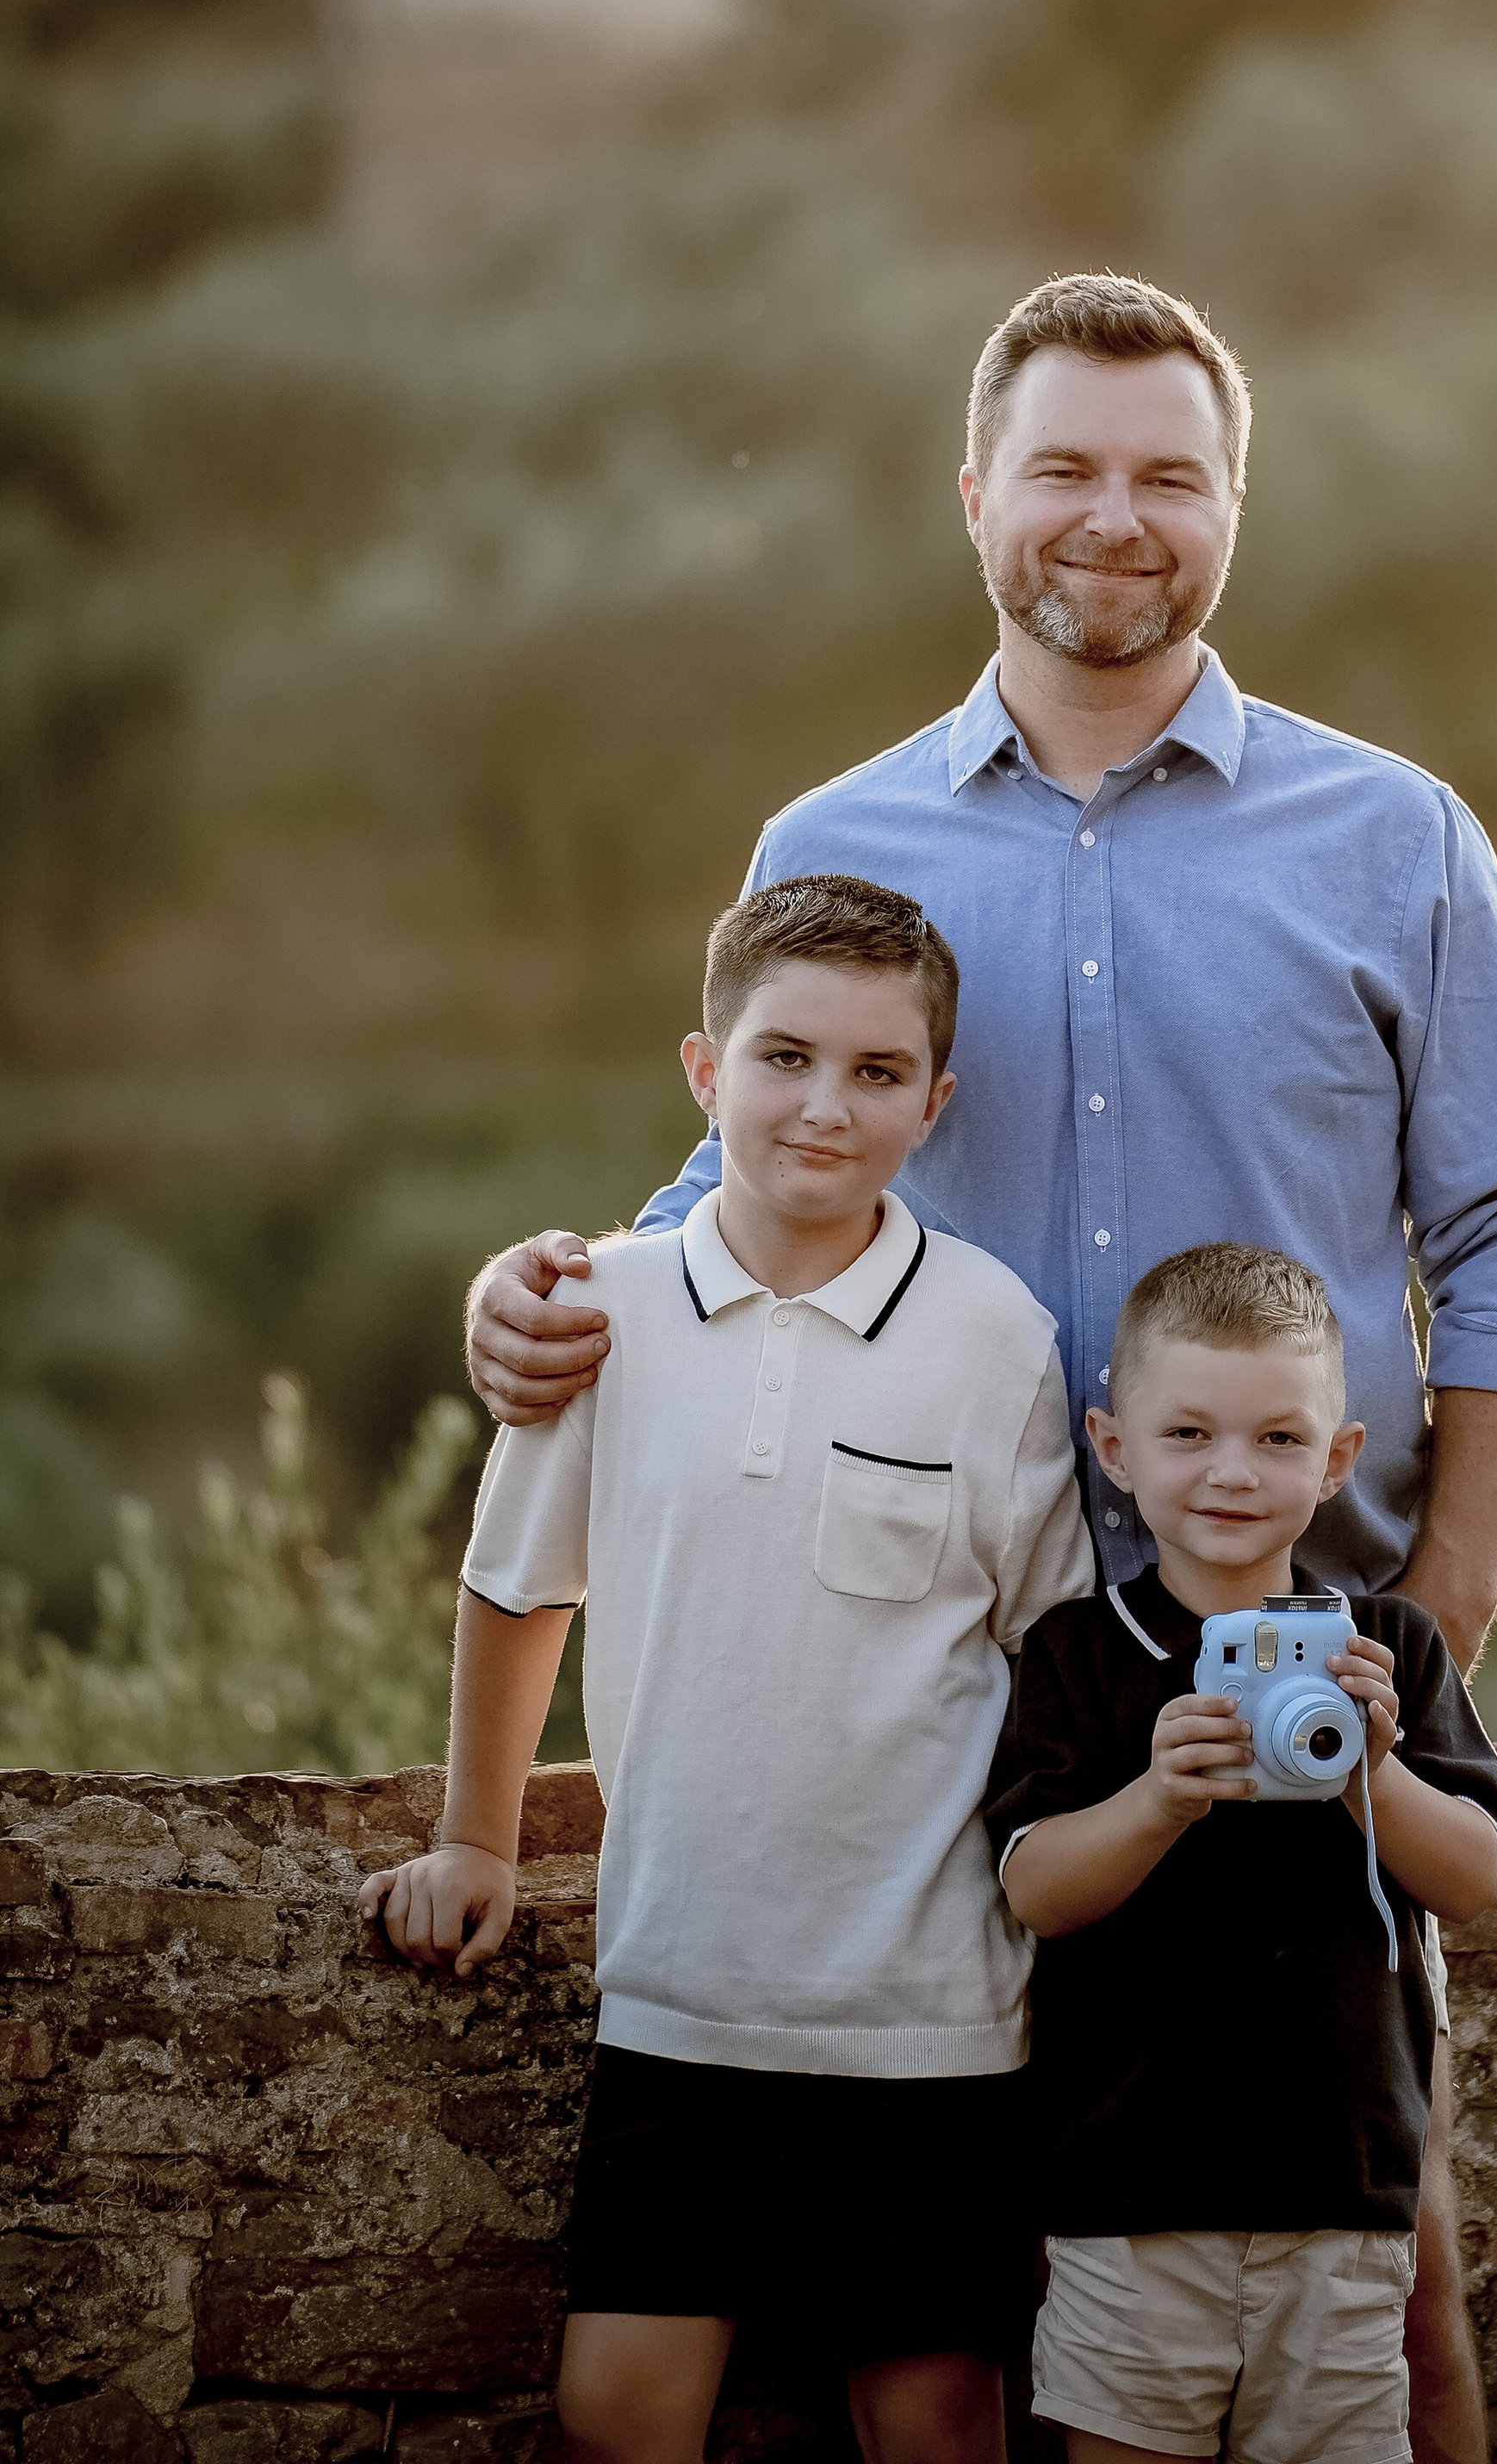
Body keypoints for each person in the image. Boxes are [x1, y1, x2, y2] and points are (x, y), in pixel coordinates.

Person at [464, 271, 1497, 2464]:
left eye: (1169, 474)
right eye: (1063, 466)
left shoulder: (1395, 838)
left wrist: (1440, 1608)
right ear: (973, 492)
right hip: (930, 1729)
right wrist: (549, 1303)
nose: (1113, 515)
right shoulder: (836, 843)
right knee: (978, 2339)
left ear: (1232, 507)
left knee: (1394, 2302)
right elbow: (741, 1199)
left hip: (1272, 1695)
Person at [364, 875, 1093, 2464]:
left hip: (931, 2012)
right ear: (706, 1071)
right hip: (681, 1995)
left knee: (934, 2415)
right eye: (784, 1058)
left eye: (878, 1072)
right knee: (616, 2414)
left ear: (934, 1103)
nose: (825, 1106)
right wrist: (479, 1840)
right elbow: (516, 1584)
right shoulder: (601, 1307)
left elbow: (1049, 1650)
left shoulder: (994, 1335)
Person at [991, 1242, 1497, 2464]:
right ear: (1113, 1448)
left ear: (1339, 1459)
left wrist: (1370, 1771)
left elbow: (1474, 1879)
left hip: (1342, 2190)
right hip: (1126, 2191)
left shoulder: (1389, 1647)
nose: (1232, 1471)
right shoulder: (1077, 1652)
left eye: (1280, 1439)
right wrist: (1158, 1800)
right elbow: (1035, 1891)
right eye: (1188, 1435)